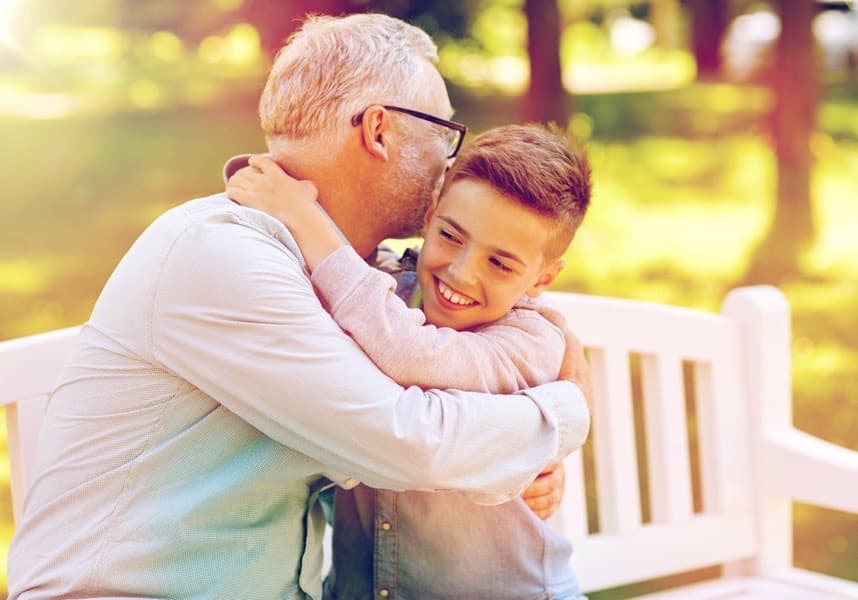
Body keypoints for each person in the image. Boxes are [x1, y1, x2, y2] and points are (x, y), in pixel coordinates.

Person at [7, 13, 590, 600]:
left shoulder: (346, 272)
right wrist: (561, 415)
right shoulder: (224, 256)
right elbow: (407, 443)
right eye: (443, 130)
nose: (447, 160)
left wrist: (527, 406)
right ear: (380, 132)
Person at [226, 123, 592, 599]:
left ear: (543, 278)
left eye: (500, 264)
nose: (461, 272)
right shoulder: (386, 286)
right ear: (430, 214)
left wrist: (302, 215)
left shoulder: (534, 340)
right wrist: (286, 191)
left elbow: (410, 353)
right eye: (451, 235)